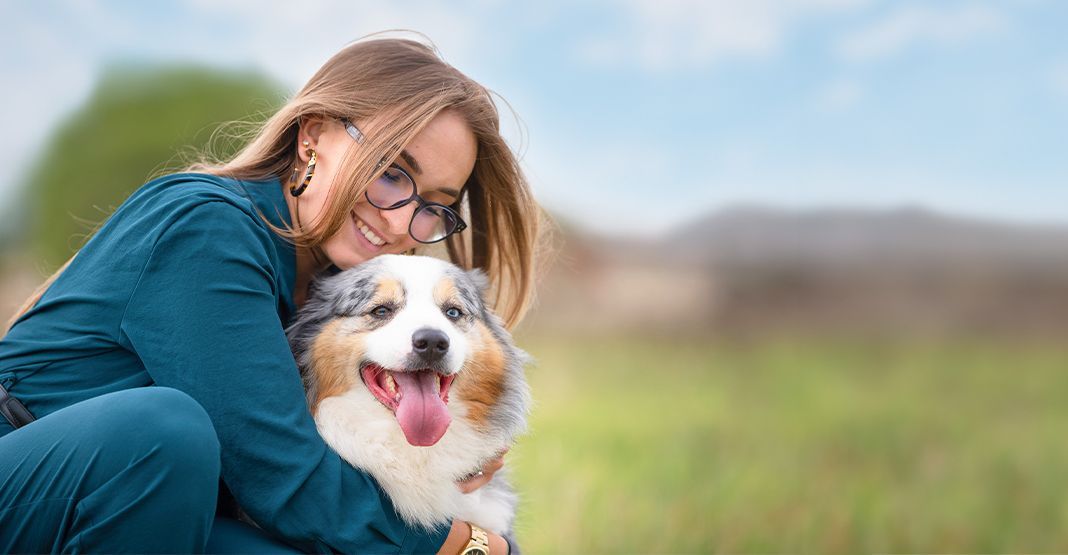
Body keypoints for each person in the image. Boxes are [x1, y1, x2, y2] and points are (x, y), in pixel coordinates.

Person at [0, 36, 541, 553]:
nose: (402, 220)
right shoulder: (206, 227)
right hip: (34, 490)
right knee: (164, 430)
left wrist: (449, 451)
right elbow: (278, 470)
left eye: (434, 205)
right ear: (313, 137)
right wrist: (470, 547)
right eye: (392, 173)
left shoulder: (330, 286)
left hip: (153, 512)